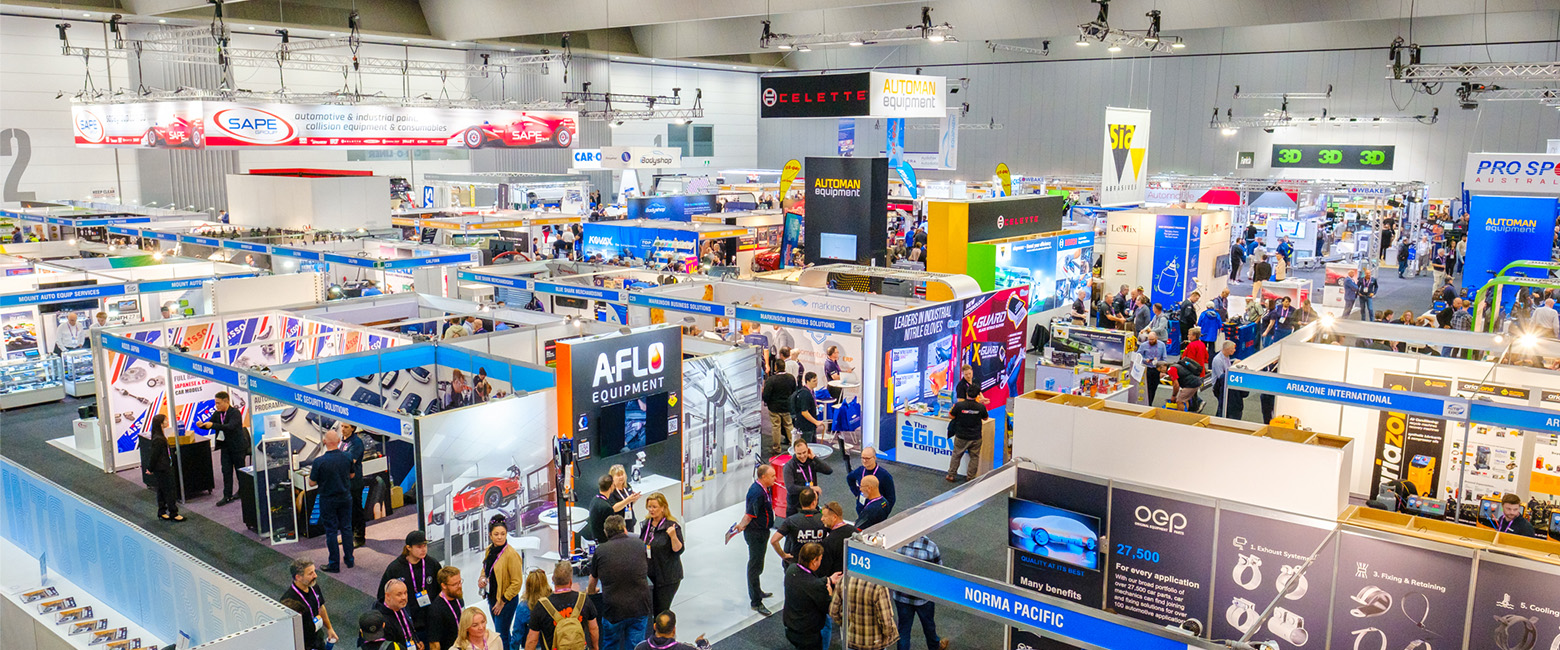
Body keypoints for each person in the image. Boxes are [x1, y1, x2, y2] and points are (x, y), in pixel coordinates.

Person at [588, 515, 652, 650]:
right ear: (624, 529)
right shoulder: (639, 544)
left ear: (606, 532)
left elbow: (593, 579)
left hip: (613, 610)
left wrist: (591, 593)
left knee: (611, 645)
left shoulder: (601, 550)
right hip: (639, 606)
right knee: (636, 647)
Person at [378, 530, 445, 645]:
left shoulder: (432, 564)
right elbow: (382, 597)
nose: (423, 549)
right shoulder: (395, 569)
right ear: (408, 547)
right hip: (408, 624)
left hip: (430, 620)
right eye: (419, 546)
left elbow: (441, 590)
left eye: (425, 546)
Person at [308, 427, 354, 572]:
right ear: (339, 441)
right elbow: (352, 475)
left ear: (324, 442)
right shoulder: (347, 457)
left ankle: (334, 564)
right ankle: (349, 559)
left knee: (331, 531)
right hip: (345, 497)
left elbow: (311, 482)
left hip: (328, 499)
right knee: (347, 528)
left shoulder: (319, 461)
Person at [526, 561, 599, 650]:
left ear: (553, 579)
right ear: (571, 581)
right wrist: (595, 648)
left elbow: (532, 640)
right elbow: (593, 629)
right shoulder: (583, 600)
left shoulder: (542, 606)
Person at [892, 537, 947, 650]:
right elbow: (939, 570)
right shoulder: (930, 547)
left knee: (903, 629)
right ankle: (935, 647)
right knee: (929, 626)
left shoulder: (897, 544)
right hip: (923, 597)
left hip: (901, 596)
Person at [479, 515, 524, 650]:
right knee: (502, 632)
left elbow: (517, 582)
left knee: (500, 635)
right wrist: (481, 578)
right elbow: (486, 568)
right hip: (492, 597)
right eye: (496, 534)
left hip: (506, 600)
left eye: (503, 534)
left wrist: (503, 601)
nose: (500, 537)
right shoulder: (489, 550)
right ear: (490, 535)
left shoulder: (511, 554)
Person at [739, 465, 779, 616]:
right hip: (755, 533)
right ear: (763, 477)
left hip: (762, 531)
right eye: (772, 476)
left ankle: (758, 591)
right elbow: (750, 514)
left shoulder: (764, 489)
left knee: (759, 564)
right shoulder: (756, 492)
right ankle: (755, 602)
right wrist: (741, 526)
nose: (775, 478)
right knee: (755, 566)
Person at [784, 543, 836, 650]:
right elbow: (830, 608)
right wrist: (829, 593)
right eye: (820, 559)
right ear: (814, 561)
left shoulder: (791, 570)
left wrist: (829, 580)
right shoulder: (816, 586)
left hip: (791, 627)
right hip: (808, 636)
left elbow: (808, 582)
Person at [639, 493, 684, 617]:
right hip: (650, 575)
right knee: (650, 610)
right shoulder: (646, 524)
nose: (651, 510)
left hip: (667, 577)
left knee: (661, 611)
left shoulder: (672, 526)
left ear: (663, 507)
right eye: (649, 507)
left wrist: (673, 536)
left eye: (654, 507)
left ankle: (663, 634)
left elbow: (679, 550)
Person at [201, 391, 248, 507]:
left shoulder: (235, 413)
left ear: (226, 401)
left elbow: (230, 427)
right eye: (215, 403)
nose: (216, 406)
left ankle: (243, 492)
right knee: (226, 472)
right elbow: (210, 424)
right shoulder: (217, 414)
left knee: (239, 471)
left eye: (218, 403)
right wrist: (202, 425)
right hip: (225, 447)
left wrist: (213, 425)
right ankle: (227, 495)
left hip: (237, 447)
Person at [830, 568, 897, 650]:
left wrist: (847, 625)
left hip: (851, 641)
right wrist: (889, 636)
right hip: (874, 643)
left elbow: (834, 611)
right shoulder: (879, 585)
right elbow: (886, 622)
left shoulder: (844, 580)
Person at [284, 559, 335, 650]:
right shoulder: (289, 601)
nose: (315, 575)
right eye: (310, 573)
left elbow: (321, 607)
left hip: (317, 637)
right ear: (298, 577)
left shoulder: (313, 586)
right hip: (304, 644)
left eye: (314, 571)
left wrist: (329, 628)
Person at [141, 414, 184, 522]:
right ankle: (173, 513)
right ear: (161, 423)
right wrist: (150, 468)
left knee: (161, 489)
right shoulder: (158, 439)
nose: (167, 421)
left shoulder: (159, 436)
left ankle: (162, 511)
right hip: (163, 468)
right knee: (170, 490)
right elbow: (154, 455)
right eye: (165, 420)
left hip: (162, 467)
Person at [772, 487, 828, 566]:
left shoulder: (791, 520)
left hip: (798, 564)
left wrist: (783, 555)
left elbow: (774, 540)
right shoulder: (824, 519)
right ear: (814, 503)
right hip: (818, 564)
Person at [783, 438, 834, 516]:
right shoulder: (789, 466)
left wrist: (814, 457)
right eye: (799, 454)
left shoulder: (811, 462)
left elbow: (829, 471)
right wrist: (811, 488)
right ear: (794, 452)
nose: (802, 456)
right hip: (795, 508)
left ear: (808, 450)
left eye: (804, 452)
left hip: (812, 506)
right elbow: (790, 488)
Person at [945, 397, 988, 482]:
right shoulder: (981, 407)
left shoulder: (959, 405)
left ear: (967, 394)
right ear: (977, 396)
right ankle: (971, 478)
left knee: (956, 455)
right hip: (975, 436)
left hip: (961, 435)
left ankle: (951, 475)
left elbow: (951, 416)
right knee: (974, 457)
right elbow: (985, 418)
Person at [589, 474, 641, 543]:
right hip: (606, 540)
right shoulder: (607, 508)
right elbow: (612, 530)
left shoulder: (595, 500)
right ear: (611, 486)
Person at [763, 360, 799, 454]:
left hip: (774, 408)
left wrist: (767, 402)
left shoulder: (772, 379)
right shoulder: (791, 378)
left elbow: (766, 394)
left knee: (776, 427)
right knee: (789, 426)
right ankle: (794, 446)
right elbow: (794, 392)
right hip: (787, 407)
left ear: (776, 367)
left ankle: (776, 448)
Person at [846, 447, 895, 513]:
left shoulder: (884, 475)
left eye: (867, 458)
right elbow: (849, 478)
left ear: (874, 458)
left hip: (876, 512)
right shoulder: (860, 471)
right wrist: (857, 493)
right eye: (862, 458)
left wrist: (885, 511)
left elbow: (891, 498)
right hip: (861, 509)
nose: (864, 461)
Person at [342, 423, 367, 548]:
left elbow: (350, 461)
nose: (343, 429)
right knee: (347, 511)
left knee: (357, 510)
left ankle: (359, 537)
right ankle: (348, 535)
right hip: (344, 483)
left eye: (346, 427)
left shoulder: (356, 443)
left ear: (353, 428)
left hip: (355, 482)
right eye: (341, 426)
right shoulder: (343, 442)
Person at [817, 501, 857, 579]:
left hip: (837, 582)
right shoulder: (855, 532)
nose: (822, 519)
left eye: (824, 516)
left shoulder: (828, 542)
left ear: (834, 517)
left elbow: (824, 570)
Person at [374, 579, 418, 650]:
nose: (404, 597)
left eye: (405, 593)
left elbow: (408, 625)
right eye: (399, 594)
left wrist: (416, 641)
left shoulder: (401, 605)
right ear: (388, 596)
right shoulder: (381, 620)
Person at [427, 567, 464, 650]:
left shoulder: (458, 598)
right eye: (455, 584)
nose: (459, 586)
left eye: (460, 582)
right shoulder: (436, 610)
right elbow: (434, 644)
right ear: (444, 585)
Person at [633, 611, 704, 650]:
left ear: (654, 626)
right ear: (674, 630)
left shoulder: (640, 647)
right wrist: (702, 642)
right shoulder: (685, 648)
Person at [791, 372, 825, 444]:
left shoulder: (810, 392)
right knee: (807, 445)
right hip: (806, 426)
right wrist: (816, 422)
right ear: (807, 381)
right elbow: (804, 412)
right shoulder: (805, 394)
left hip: (811, 425)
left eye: (816, 380)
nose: (816, 383)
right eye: (814, 381)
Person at [609, 465, 642, 533]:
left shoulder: (627, 487)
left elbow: (629, 504)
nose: (621, 477)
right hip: (618, 525)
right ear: (612, 478)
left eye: (622, 474)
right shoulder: (611, 491)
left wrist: (634, 499)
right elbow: (614, 508)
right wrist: (628, 500)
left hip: (630, 521)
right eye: (618, 475)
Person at [1210, 341, 1239, 419]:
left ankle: (1218, 418)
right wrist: (1233, 367)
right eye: (1233, 349)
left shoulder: (1226, 356)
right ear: (1227, 349)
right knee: (1222, 405)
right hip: (1218, 387)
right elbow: (1221, 377)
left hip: (1223, 384)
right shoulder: (1218, 360)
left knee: (1223, 405)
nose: (1234, 350)